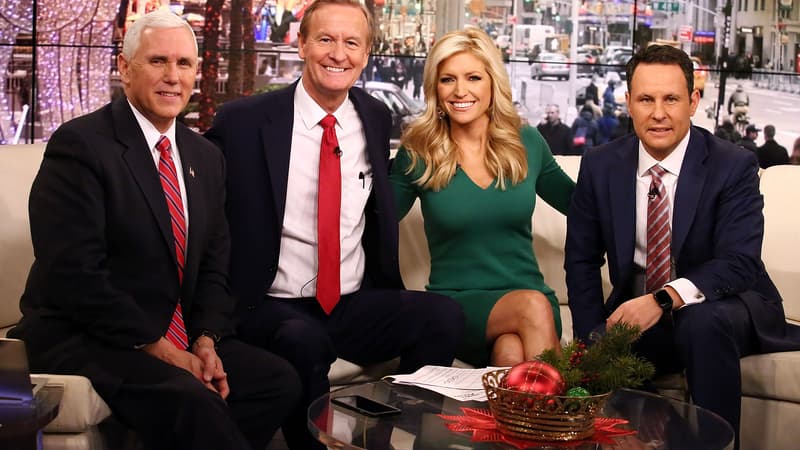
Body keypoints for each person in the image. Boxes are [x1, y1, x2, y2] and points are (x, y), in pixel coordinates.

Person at [7, 10, 300, 450]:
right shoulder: (81, 145)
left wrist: (205, 340)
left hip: (175, 330)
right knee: (190, 399)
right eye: (158, 61)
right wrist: (160, 349)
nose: (173, 77)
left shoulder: (204, 155)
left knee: (277, 382)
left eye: (184, 64)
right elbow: (75, 274)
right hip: (87, 334)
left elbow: (217, 262)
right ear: (125, 69)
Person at [204, 1, 464, 448]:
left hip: (349, 301)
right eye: (325, 39)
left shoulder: (374, 116)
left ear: (366, 54)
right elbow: (202, 207)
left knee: (442, 317)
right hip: (271, 303)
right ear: (302, 44)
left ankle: (386, 435)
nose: (338, 54)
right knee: (303, 342)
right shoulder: (244, 122)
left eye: (351, 43)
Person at [565, 44, 800, 450]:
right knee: (606, 349)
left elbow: (739, 262)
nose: (658, 113)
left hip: (730, 305)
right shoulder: (601, 165)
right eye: (646, 99)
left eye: (671, 98)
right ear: (629, 103)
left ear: (692, 101)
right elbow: (581, 261)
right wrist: (592, 341)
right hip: (647, 316)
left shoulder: (732, 164)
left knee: (699, 322)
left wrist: (662, 299)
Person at [390, 28, 575, 367]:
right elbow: (374, 219)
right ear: (435, 87)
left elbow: (583, 206)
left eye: (473, 77)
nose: (460, 91)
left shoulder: (528, 143)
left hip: (529, 299)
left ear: (492, 83)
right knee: (532, 307)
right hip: (459, 307)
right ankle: (569, 417)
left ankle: (528, 421)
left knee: (511, 352)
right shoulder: (419, 152)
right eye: (448, 80)